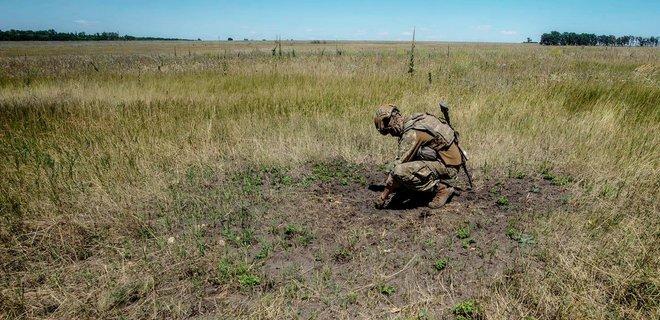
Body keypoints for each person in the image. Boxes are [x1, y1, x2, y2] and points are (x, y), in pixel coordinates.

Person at [373, 104, 464, 209]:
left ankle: (441, 188)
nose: (391, 134)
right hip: (449, 159)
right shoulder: (414, 120)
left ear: (391, 120)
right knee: (409, 162)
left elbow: (396, 169)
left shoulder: (411, 134)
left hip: (449, 167)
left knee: (400, 171)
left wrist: (383, 197)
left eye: (389, 130)